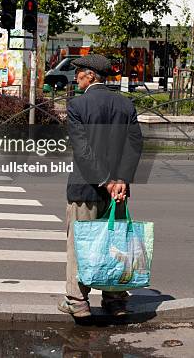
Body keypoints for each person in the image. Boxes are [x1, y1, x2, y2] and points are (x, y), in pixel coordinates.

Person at [58, 54, 143, 319]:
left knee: (79, 245)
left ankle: (78, 300)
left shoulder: (77, 105)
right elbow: (134, 146)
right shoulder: (125, 105)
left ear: (91, 76)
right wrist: (120, 180)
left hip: (86, 189)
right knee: (115, 244)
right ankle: (115, 301)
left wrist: (105, 181)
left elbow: (83, 150)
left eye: (79, 72)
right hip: (118, 192)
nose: (76, 77)